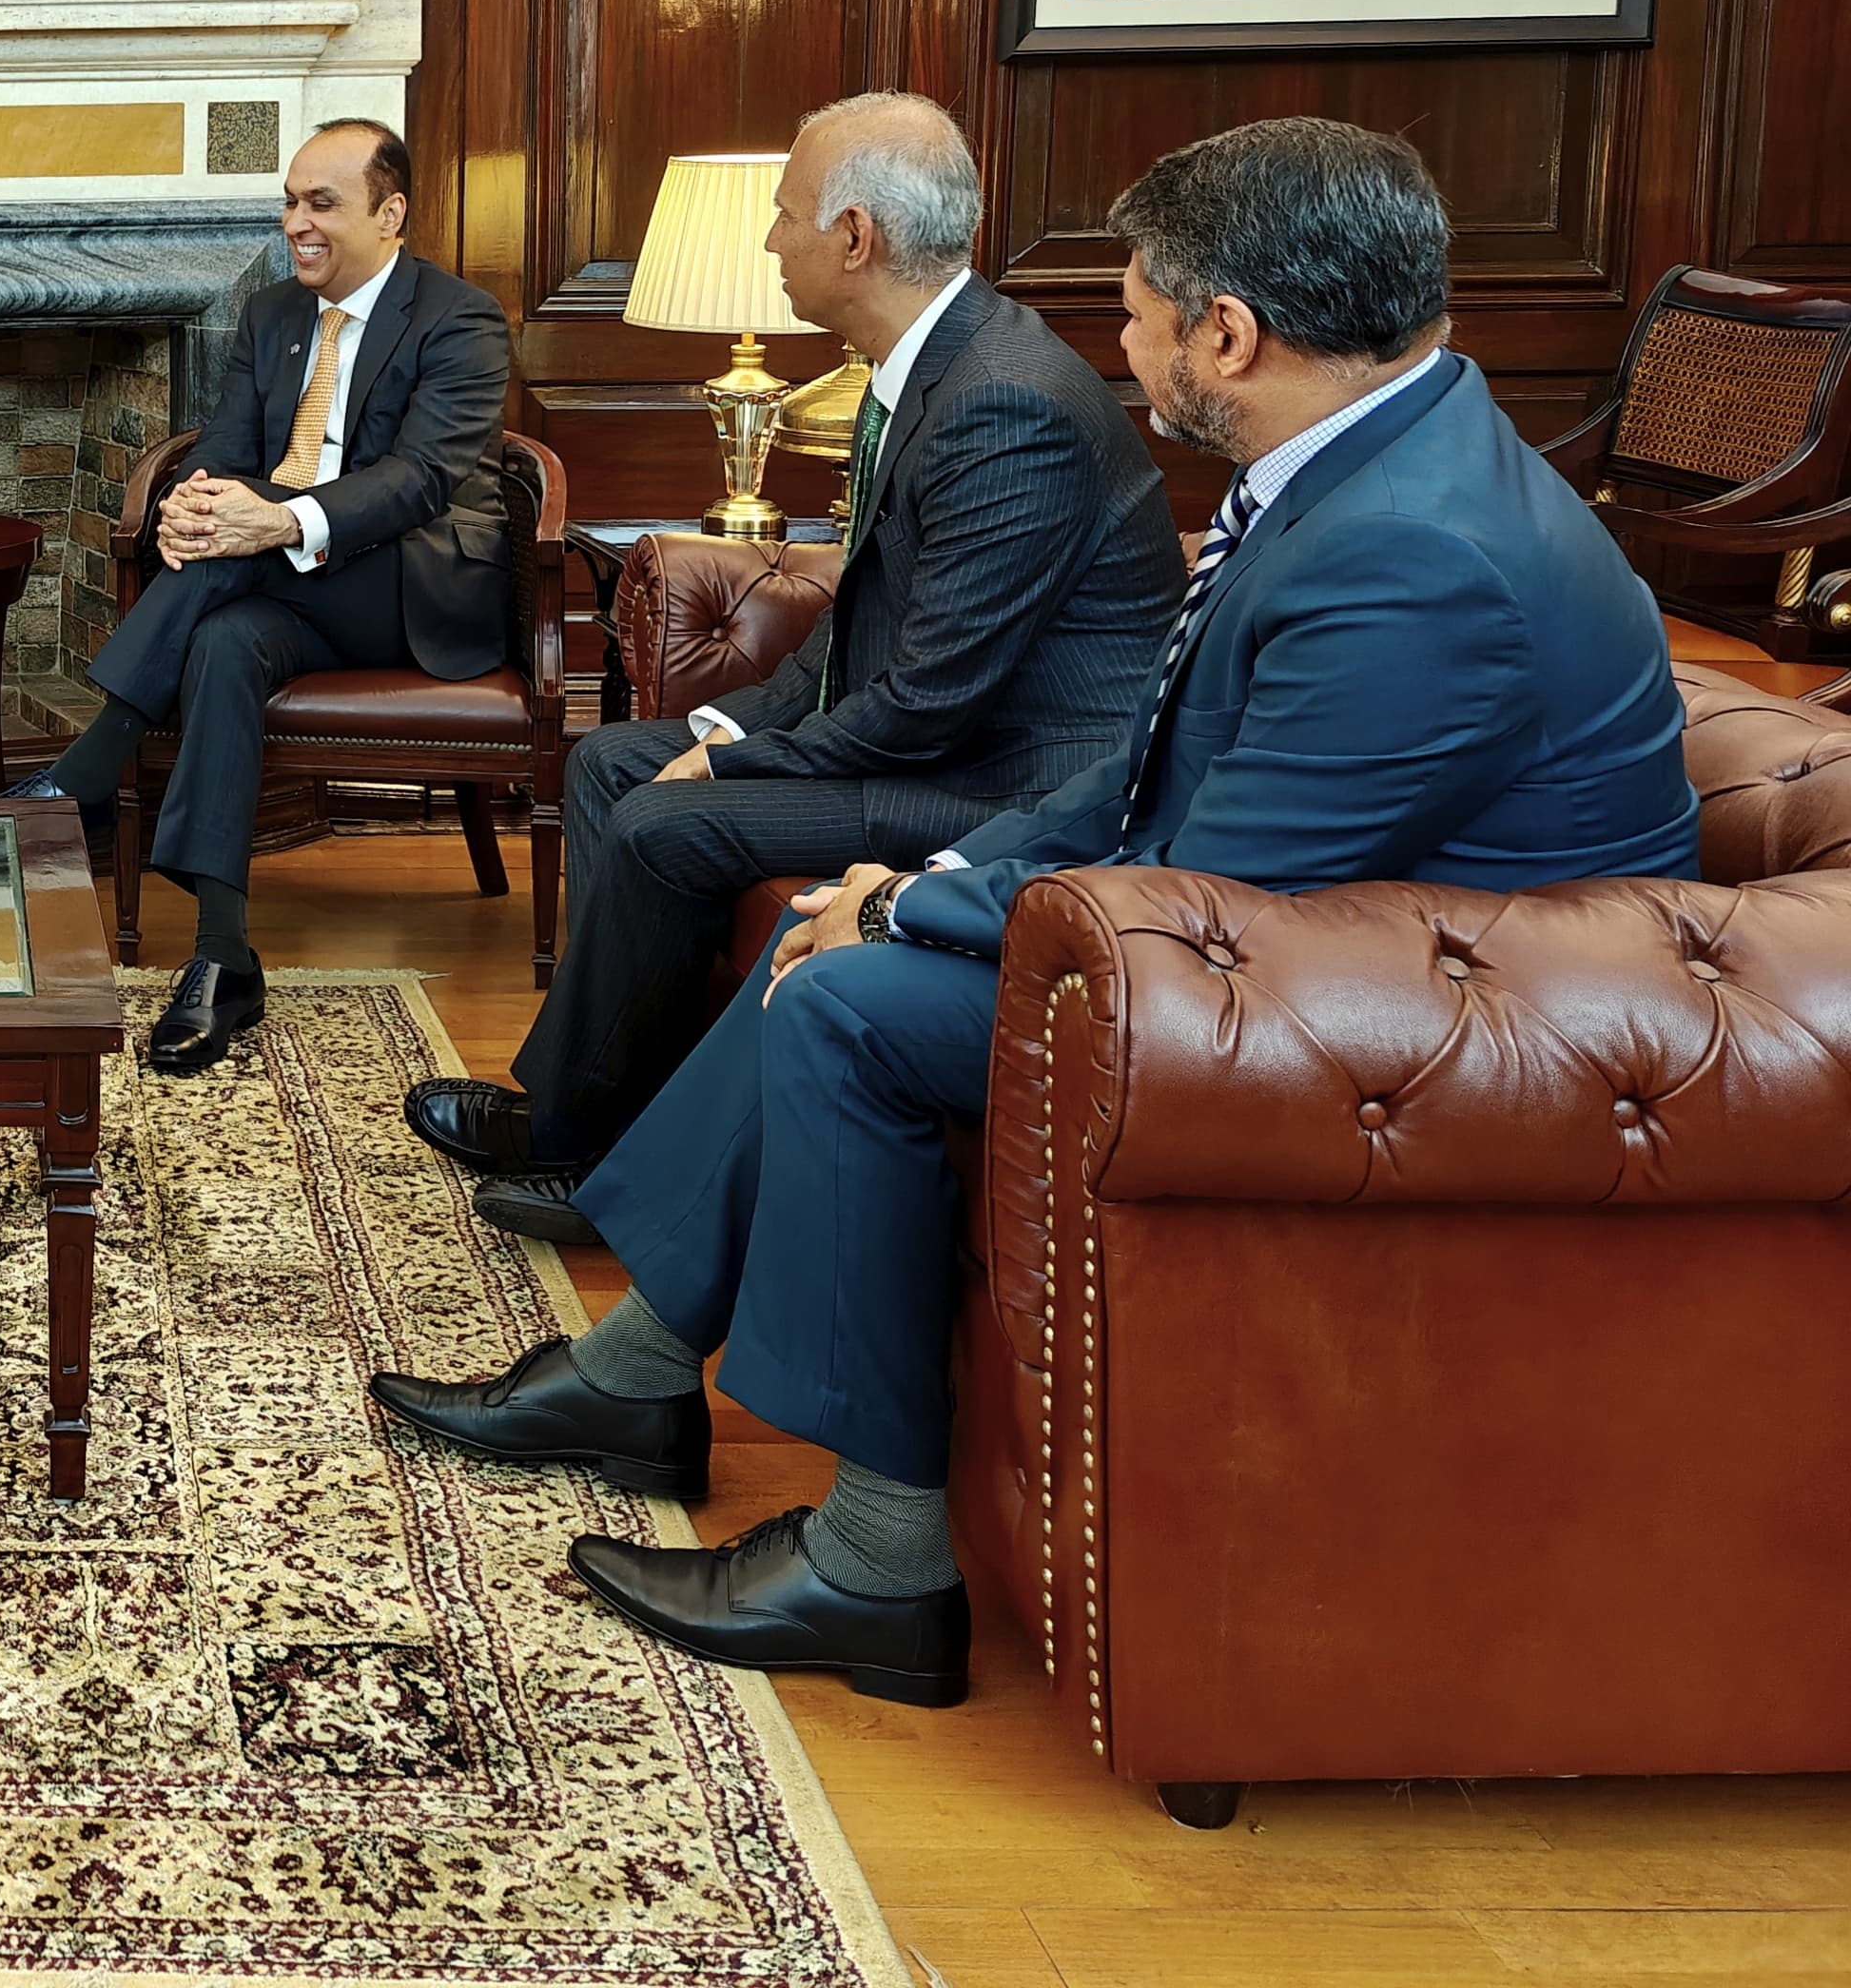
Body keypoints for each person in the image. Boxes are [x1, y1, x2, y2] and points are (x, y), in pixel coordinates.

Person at [366, 120, 1702, 1708]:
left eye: (1136, 310)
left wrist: (922, 917)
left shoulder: (1413, 550)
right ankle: (633, 1376)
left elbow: (1217, 882)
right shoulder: (1361, 463)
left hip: (1438, 1030)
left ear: (1230, 334)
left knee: (850, 1000)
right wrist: (939, 884)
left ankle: (873, 1566)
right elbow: (1149, 762)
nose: (1116, 344)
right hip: (1321, 951)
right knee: (832, 941)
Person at [407, 94, 1179, 1238]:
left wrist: (728, 773)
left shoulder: (1004, 403)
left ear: (854, 237)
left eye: (783, 218)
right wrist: (720, 737)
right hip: (947, 737)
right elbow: (851, 632)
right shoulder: (930, 368)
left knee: (672, 824)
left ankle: (598, 1161)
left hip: (1005, 780)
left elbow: (930, 699)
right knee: (617, 761)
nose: (771, 242)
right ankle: (579, 1106)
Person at [12, 121, 511, 1076]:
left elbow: (418, 481)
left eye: (321, 204)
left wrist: (272, 523)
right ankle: (219, 958)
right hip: (271, 585)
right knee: (224, 643)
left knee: (239, 550)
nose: (296, 224)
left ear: (389, 212)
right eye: (289, 202)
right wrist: (187, 509)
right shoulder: (272, 312)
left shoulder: (459, 318)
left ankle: (80, 778)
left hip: (405, 583)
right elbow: (225, 453)